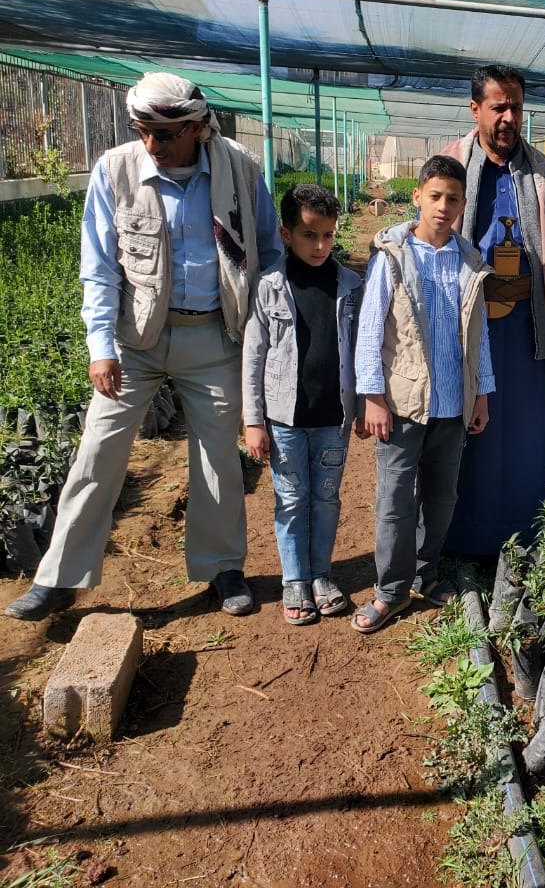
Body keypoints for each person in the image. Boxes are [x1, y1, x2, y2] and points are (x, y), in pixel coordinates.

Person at [5, 72, 282, 622]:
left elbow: (270, 249)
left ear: (197, 128)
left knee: (217, 460)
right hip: (136, 341)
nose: (153, 144)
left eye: (166, 134)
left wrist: (266, 331)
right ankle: (59, 577)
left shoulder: (240, 169)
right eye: (143, 131)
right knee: (97, 452)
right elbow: (99, 266)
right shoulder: (115, 170)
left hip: (215, 335)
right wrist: (100, 345)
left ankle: (223, 567)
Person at [352, 155, 494, 632]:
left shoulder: (469, 261)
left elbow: (479, 336)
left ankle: (424, 574)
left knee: (440, 497)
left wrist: (481, 393)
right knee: (394, 501)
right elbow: (371, 329)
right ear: (417, 196)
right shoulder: (393, 256)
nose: (443, 206)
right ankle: (390, 591)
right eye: (435, 196)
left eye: (453, 198)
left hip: (453, 403)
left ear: (463, 204)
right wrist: (372, 396)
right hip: (403, 403)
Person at [440, 65, 545, 564]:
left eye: (516, 107)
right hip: (468, 327)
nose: (509, 118)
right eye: (498, 107)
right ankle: (461, 544)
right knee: (467, 435)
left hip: (526, 330)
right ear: (475, 109)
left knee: (525, 436)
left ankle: (527, 538)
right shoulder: (451, 165)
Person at [242, 184, 363, 625]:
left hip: (333, 418)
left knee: (326, 497)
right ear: (286, 233)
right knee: (291, 500)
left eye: (328, 235)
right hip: (285, 418)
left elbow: (362, 350)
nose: (320, 246)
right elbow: (254, 356)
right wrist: (253, 420)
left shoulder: (350, 286)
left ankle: (321, 575)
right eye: (309, 235)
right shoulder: (269, 287)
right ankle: (294, 580)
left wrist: (364, 402)